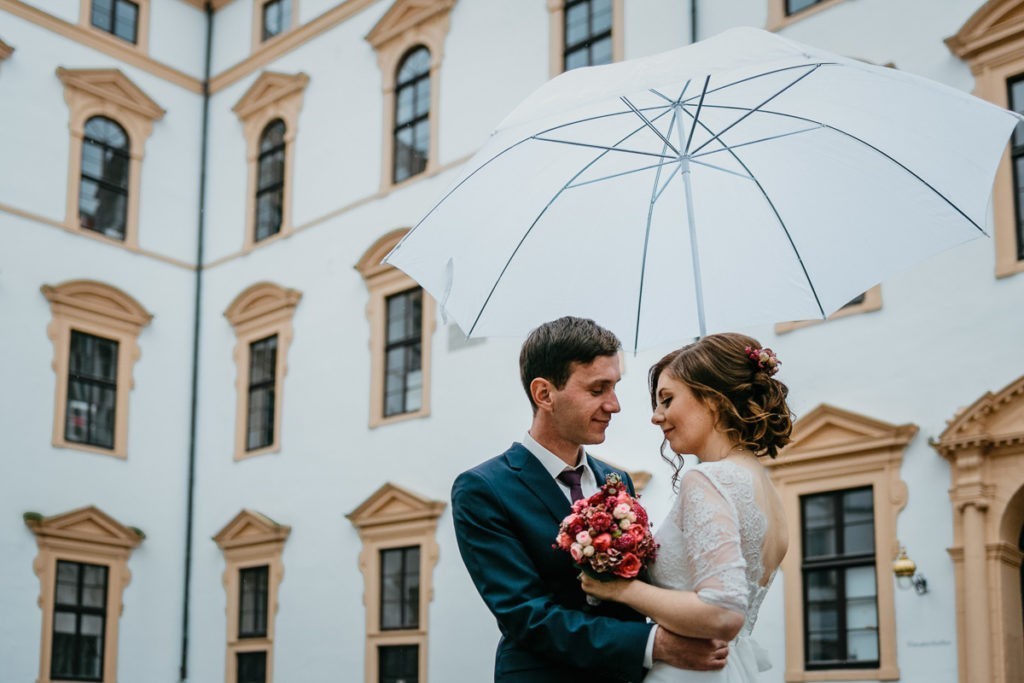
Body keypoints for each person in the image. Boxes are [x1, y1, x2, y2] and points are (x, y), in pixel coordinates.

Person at [452, 316, 730, 682]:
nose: (614, 405)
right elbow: (528, 615)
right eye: (598, 389)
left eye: (614, 387)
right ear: (544, 394)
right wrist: (653, 644)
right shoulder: (483, 489)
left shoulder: (617, 481)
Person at [581, 332, 793, 682]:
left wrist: (619, 588)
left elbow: (723, 611)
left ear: (711, 400)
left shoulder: (707, 480)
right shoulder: (764, 487)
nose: (656, 416)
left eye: (667, 400)